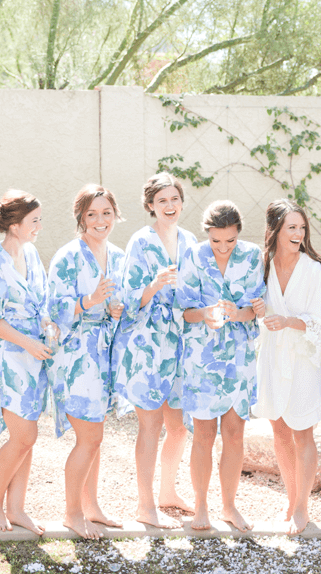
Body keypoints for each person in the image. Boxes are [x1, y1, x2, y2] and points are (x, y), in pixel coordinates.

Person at [112, 172, 196, 527]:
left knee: (179, 427)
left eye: (174, 198)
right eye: (162, 200)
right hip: (148, 343)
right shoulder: (140, 242)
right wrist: (155, 284)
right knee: (150, 425)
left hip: (182, 343)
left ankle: (167, 491)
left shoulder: (191, 240)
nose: (170, 205)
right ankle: (145, 506)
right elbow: (128, 300)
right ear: (150, 205)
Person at [177, 200, 265, 533]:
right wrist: (206, 313)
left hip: (239, 358)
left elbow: (255, 309)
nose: (223, 248)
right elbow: (185, 311)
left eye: (229, 241)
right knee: (203, 434)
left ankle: (229, 507)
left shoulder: (253, 256)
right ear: (208, 235)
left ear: (238, 234)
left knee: (234, 433)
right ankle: (201, 509)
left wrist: (239, 312)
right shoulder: (193, 256)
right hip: (201, 358)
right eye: (216, 241)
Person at [48, 184, 125, 540]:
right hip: (77, 355)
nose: (99, 220)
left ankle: (92, 507)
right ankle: (72, 512)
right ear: (80, 217)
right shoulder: (67, 256)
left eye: (106, 213)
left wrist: (115, 308)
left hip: (105, 354)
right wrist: (89, 300)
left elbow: (123, 303)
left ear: (115, 215)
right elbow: (53, 309)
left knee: (96, 436)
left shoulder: (119, 256)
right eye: (91, 214)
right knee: (88, 437)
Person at [0, 191, 52, 535]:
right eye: (33, 220)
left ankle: (17, 507)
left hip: (34, 356)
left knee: (28, 437)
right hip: (8, 357)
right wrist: (29, 343)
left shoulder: (32, 254)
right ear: (16, 225)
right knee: (23, 434)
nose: (38, 226)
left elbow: (44, 298)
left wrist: (48, 326)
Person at [251, 200, 321, 535]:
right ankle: (291, 495)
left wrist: (289, 321)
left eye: (301, 228)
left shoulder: (312, 269)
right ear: (274, 231)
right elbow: (256, 308)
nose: (298, 234)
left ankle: (302, 507)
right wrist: (257, 309)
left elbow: (320, 323)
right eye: (291, 228)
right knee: (279, 430)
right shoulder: (262, 264)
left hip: (302, 358)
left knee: (302, 431)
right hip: (271, 355)